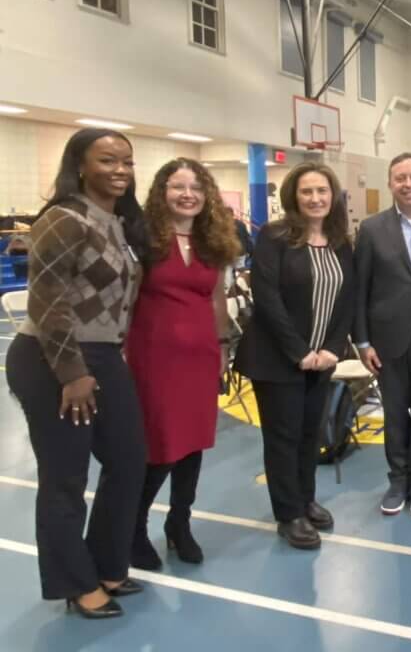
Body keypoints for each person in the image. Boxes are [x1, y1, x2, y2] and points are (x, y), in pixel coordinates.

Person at [5, 128, 148, 618]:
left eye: (127, 161)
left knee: (130, 461)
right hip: (52, 360)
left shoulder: (119, 222)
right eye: (108, 160)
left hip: (104, 356)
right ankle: (75, 583)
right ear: (80, 165)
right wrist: (71, 373)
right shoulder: (63, 220)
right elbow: (48, 302)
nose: (121, 170)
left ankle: (109, 563)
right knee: (66, 476)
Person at [234, 162, 356, 550]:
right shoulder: (275, 237)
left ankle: (305, 498)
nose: (316, 198)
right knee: (283, 437)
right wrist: (300, 352)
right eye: (307, 191)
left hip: (321, 359)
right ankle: (288, 514)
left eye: (322, 191)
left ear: (333, 196)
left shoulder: (340, 240)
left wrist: (332, 349)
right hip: (279, 359)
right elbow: (267, 298)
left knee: (309, 434)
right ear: (294, 196)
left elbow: (346, 300)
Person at [126, 159, 240, 570]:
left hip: (201, 356)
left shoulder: (212, 242)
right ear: (162, 191)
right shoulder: (143, 238)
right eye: (178, 186)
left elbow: (215, 299)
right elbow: (127, 298)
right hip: (153, 358)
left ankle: (179, 522)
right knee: (160, 446)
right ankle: (134, 528)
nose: (188, 194)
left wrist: (223, 346)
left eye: (196, 186)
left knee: (194, 443)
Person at [355, 153, 411, 518]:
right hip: (387, 340)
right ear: (390, 184)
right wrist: (362, 342)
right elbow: (359, 290)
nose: (408, 184)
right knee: (394, 414)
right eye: (400, 178)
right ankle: (397, 480)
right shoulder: (371, 229)